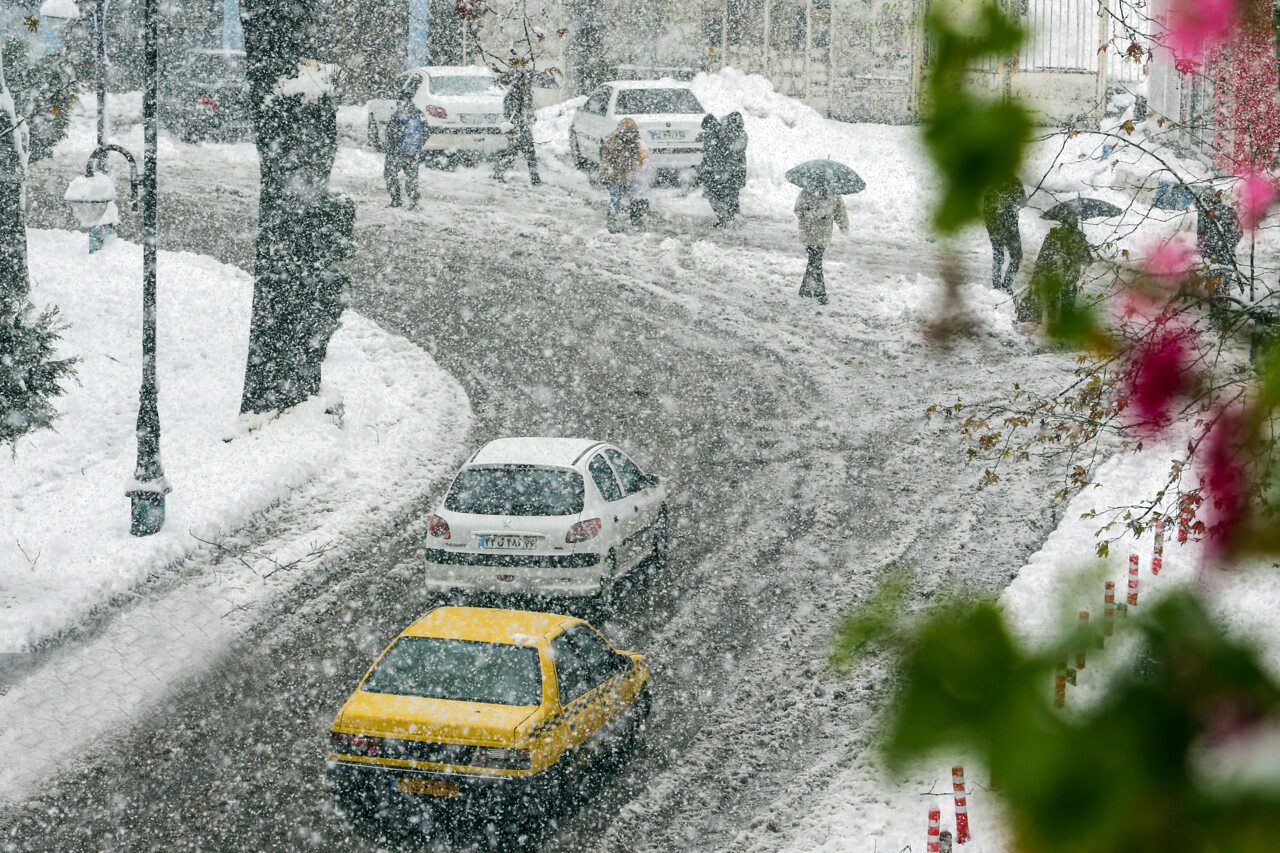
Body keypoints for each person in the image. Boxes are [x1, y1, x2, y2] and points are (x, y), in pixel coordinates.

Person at [1022, 213, 1091, 323]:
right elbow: (1088, 261)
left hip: (1053, 278)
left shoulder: (1053, 235)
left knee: (1051, 308)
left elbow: (1042, 257)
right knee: (1067, 309)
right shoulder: (1079, 239)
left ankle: (1052, 329)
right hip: (1070, 280)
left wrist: (1037, 274)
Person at [794, 187, 848, 304]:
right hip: (809, 233)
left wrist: (843, 225)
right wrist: (812, 214)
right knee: (815, 262)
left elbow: (840, 211)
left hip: (822, 235)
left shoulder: (834, 195)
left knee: (814, 261)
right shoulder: (807, 192)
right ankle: (819, 293)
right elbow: (798, 210)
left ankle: (806, 290)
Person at [492, 70, 540, 185]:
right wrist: (519, 120)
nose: (528, 82)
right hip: (517, 128)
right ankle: (499, 173)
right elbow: (509, 111)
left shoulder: (526, 92)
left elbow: (528, 108)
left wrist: (531, 115)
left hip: (523, 127)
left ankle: (535, 178)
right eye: (526, 80)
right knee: (516, 152)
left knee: (525, 152)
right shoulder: (514, 93)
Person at [599, 118, 648, 233]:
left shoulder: (633, 142)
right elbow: (609, 161)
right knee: (615, 198)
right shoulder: (613, 142)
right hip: (613, 175)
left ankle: (635, 219)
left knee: (634, 196)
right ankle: (612, 222)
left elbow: (638, 158)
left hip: (625, 175)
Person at [983, 178, 1027, 292]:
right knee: (1013, 255)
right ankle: (1004, 285)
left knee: (1001, 255)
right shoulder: (1014, 182)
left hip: (999, 225)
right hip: (1006, 225)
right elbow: (1023, 202)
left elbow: (986, 208)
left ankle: (1000, 285)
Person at [384, 95, 425, 209]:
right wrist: (417, 146)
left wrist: (391, 147)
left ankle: (396, 200)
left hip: (397, 152)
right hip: (413, 152)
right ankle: (413, 202)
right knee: (411, 178)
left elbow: (391, 133)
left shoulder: (398, 115)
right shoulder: (419, 114)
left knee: (390, 175)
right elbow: (426, 131)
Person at [1196, 189, 1242, 292]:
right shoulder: (1204, 213)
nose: (1206, 203)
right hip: (1212, 254)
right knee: (1213, 284)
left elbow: (1238, 232)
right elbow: (1201, 234)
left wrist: (1226, 245)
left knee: (1222, 282)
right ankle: (1217, 302)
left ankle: (1221, 301)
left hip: (1222, 253)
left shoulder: (1227, 211)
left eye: (1207, 200)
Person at [696, 114, 731, 226]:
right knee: (717, 194)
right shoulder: (719, 134)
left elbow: (712, 155)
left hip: (715, 170)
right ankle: (724, 217)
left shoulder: (716, 137)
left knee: (714, 194)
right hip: (715, 170)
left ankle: (722, 218)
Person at [721, 111, 748, 221]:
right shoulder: (732, 134)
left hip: (736, 167)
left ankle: (733, 212)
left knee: (732, 191)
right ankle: (731, 212)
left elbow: (735, 149)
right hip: (734, 167)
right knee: (730, 190)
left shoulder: (740, 135)